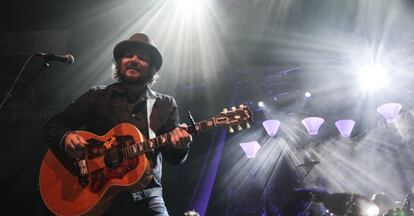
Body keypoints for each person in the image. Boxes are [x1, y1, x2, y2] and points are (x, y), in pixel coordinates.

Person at [43, 33, 192, 215]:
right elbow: (54, 125)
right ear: (120, 62)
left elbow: (173, 158)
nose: (134, 60)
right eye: (129, 55)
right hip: (94, 191)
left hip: (146, 196)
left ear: (152, 68)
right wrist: (66, 137)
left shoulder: (165, 104)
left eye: (142, 58)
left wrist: (179, 146)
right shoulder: (96, 96)